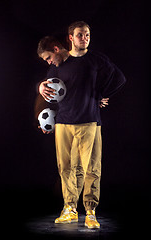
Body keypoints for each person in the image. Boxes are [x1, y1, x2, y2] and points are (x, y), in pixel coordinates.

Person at [36, 21, 126, 228]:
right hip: (63, 124)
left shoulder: (95, 60)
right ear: (70, 38)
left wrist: (100, 95)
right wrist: (39, 87)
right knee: (66, 168)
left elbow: (119, 78)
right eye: (80, 35)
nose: (84, 38)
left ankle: (91, 212)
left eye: (86, 35)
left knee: (92, 169)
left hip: (90, 122)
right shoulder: (57, 66)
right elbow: (47, 92)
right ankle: (70, 209)